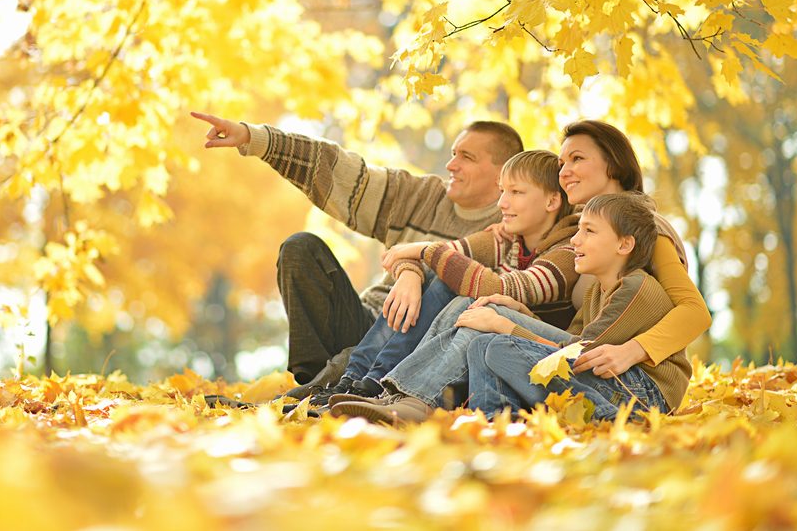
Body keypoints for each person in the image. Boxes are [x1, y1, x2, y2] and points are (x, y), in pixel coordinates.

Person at [330, 120, 711, 422]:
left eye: (577, 159)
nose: (565, 172)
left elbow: (693, 312)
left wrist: (633, 351)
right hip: (594, 359)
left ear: (613, 164)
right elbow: (584, 331)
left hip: (637, 376)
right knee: (480, 306)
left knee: (491, 314)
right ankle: (400, 395)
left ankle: (414, 400)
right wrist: (521, 315)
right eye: (562, 164)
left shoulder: (643, 227)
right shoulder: (581, 233)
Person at [190, 111, 524, 394]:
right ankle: (315, 386)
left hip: (420, 351)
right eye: (453, 153)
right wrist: (255, 138)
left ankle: (336, 388)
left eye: (466, 157)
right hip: (369, 324)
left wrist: (413, 269)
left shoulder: (513, 226)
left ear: (502, 173)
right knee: (300, 248)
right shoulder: (421, 196)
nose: (451, 164)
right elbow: (341, 171)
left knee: (446, 278)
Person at [309, 149, 580, 407]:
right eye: (502, 192)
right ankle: (354, 380)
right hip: (481, 339)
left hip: (529, 355)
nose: (502, 203)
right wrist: (410, 276)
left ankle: (372, 382)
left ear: (552, 201)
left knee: (456, 283)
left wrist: (426, 250)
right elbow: (435, 257)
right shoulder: (507, 239)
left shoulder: (567, 250)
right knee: (439, 277)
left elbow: (504, 289)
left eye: (516, 192)